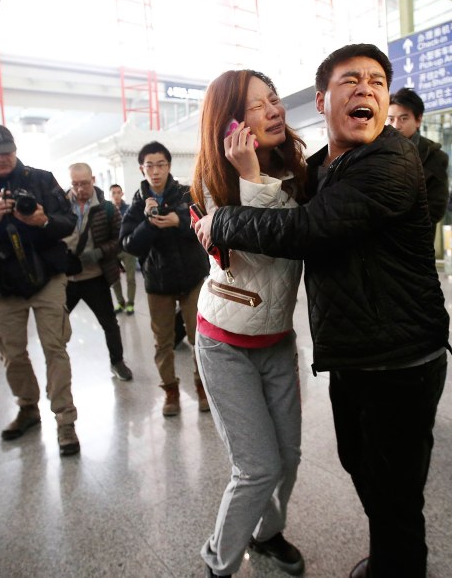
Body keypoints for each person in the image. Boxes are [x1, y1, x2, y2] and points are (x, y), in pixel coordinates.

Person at [197, 43, 451, 578]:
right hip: (342, 351)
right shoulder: (313, 167)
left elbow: (303, 231)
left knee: (392, 494)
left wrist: (224, 220)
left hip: (400, 357)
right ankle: (381, 557)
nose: (366, 90)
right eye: (350, 82)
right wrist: (237, 190)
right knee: (358, 466)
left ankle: (396, 567)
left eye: (377, 83)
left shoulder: (386, 162)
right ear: (322, 100)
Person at [191, 69, 307, 578]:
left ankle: (267, 535)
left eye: (275, 99)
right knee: (257, 467)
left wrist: (261, 175)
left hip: (278, 338)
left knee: (289, 457)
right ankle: (219, 562)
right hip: (225, 344)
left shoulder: (299, 170)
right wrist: (251, 176)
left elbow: (304, 230)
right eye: (259, 105)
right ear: (232, 122)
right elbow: (257, 245)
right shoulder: (214, 182)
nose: (275, 110)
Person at [0, 124, 81, 456]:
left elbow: (68, 222)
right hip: (4, 286)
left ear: (16, 148)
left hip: (47, 278)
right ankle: (28, 408)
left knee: (56, 349)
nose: (3, 157)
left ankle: (65, 421)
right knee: (12, 353)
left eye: (8, 150)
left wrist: (42, 221)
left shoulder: (39, 178)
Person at [120, 141, 210, 416]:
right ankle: (170, 390)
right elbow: (129, 245)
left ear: (169, 166)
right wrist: (148, 223)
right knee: (163, 342)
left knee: (199, 338)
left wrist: (179, 221)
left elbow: (206, 223)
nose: (156, 171)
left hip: (192, 277)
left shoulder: (186, 193)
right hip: (158, 283)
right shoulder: (137, 204)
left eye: (161, 164)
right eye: (150, 166)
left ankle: (203, 387)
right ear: (142, 169)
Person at [65, 164, 133, 382]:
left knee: (109, 323)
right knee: (56, 325)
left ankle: (117, 361)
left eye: (84, 183)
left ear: (93, 179)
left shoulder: (107, 209)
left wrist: (98, 252)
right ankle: (58, 367)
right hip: (66, 279)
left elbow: (120, 240)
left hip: (96, 277)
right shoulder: (59, 206)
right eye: (75, 184)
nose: (79, 189)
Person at [388, 87, 449, 238]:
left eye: (403, 118)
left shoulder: (435, 157)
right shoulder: (375, 152)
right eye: (391, 119)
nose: (396, 125)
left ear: (418, 120)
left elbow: (436, 208)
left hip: (415, 243)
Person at [109, 184, 137, 316]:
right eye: (113, 193)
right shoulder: (107, 210)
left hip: (127, 249)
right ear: (110, 195)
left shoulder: (129, 209)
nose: (116, 195)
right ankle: (120, 302)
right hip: (113, 250)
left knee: (130, 278)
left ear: (122, 194)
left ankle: (130, 304)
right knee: (115, 279)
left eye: (118, 192)